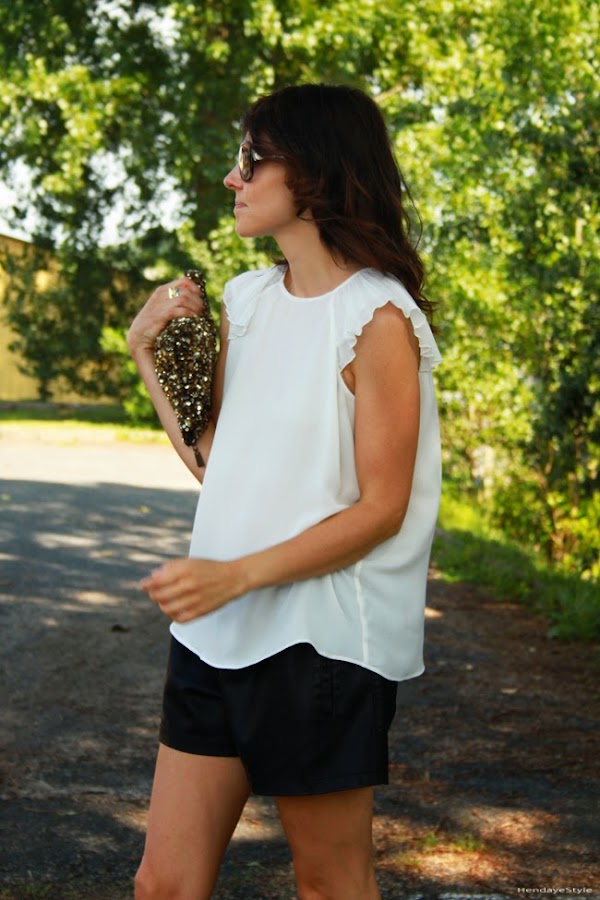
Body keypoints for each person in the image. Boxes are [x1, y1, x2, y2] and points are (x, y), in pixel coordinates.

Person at [127, 82, 442, 900]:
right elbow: (218, 463)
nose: (233, 178)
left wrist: (235, 575)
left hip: (318, 645)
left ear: (315, 173)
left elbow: (382, 508)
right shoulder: (248, 298)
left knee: (329, 884)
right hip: (215, 632)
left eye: (251, 160)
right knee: (163, 885)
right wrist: (145, 354)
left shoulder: (378, 318)